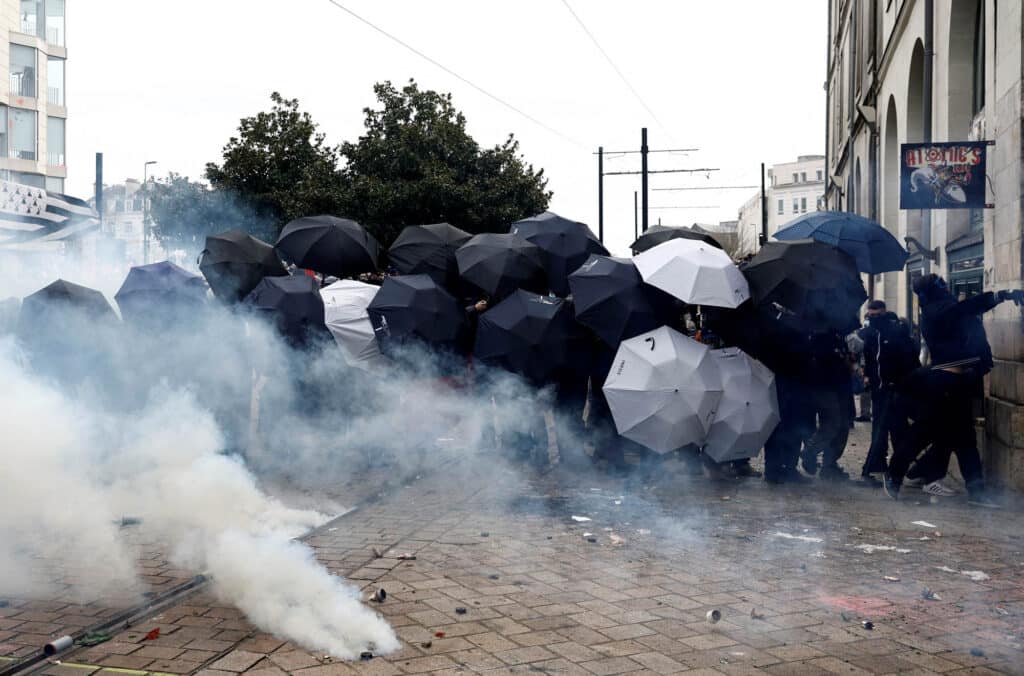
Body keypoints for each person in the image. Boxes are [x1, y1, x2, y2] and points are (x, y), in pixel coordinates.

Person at [884, 275, 1024, 506]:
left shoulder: (942, 311)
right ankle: (894, 474)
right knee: (924, 432)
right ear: (933, 291)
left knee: (964, 439)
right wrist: (1000, 296)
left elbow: (966, 315)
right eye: (941, 285)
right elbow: (964, 308)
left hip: (957, 384)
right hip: (942, 384)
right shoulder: (936, 313)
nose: (946, 288)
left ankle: (976, 491)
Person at [858, 300, 919, 482]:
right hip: (880, 391)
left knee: (898, 432)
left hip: (896, 390)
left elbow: (910, 359)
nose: (874, 318)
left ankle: (898, 470)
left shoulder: (896, 332)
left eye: (877, 315)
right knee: (880, 432)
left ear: (884, 313)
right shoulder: (870, 334)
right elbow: (870, 359)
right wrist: (868, 376)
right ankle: (876, 467)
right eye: (871, 315)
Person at [800, 328, 855, 480]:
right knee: (832, 423)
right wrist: (840, 359)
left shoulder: (839, 334)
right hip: (825, 386)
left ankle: (829, 465)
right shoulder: (821, 334)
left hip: (840, 386)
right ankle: (811, 451)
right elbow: (822, 359)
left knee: (842, 426)